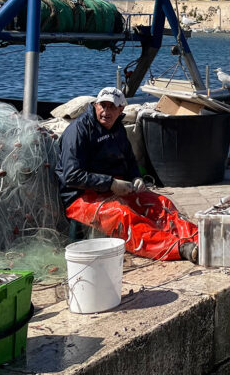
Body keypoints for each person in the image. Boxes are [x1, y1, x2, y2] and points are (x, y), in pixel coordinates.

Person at [56, 86, 200, 263]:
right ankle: (177, 248)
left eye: (111, 107)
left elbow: (130, 161)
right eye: (102, 105)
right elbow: (72, 176)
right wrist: (110, 183)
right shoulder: (78, 131)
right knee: (122, 214)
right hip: (80, 197)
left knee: (161, 203)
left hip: (111, 188)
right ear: (95, 105)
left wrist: (135, 177)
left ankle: (195, 237)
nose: (106, 111)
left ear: (121, 109)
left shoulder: (118, 128)